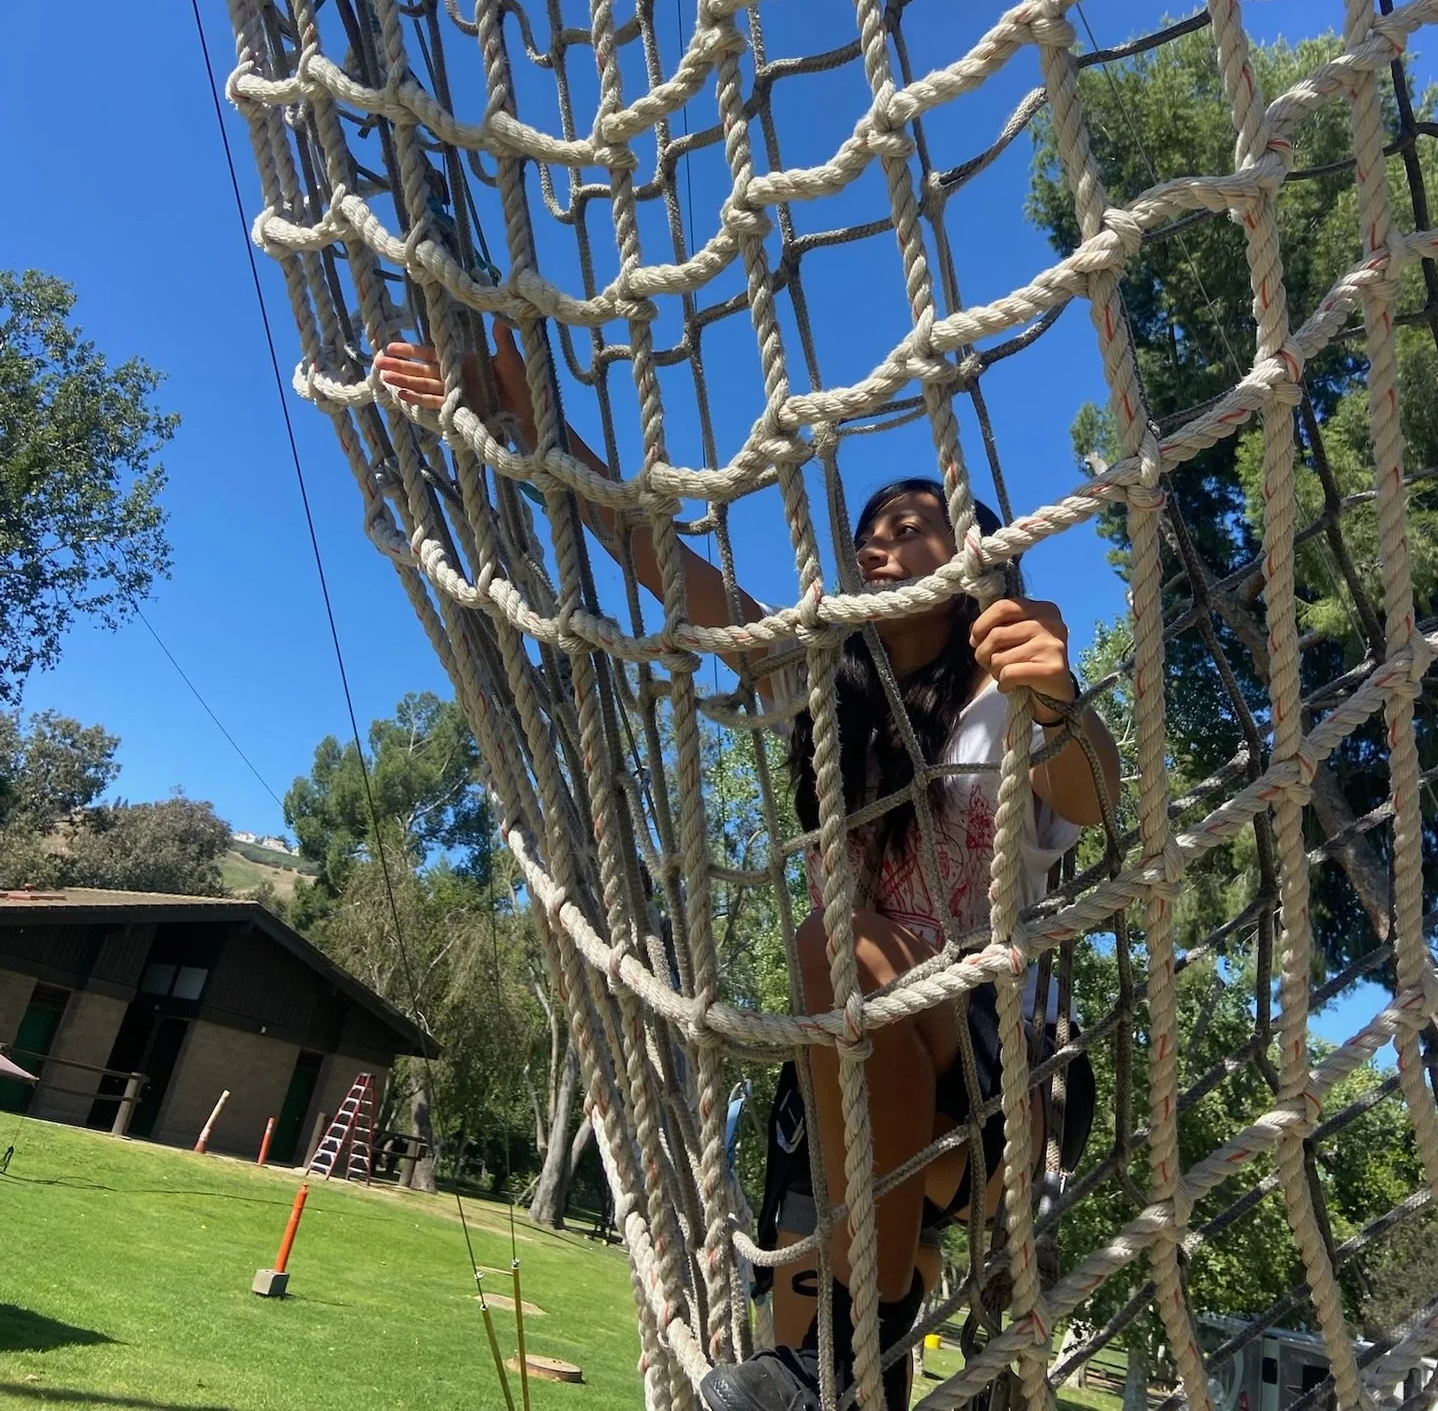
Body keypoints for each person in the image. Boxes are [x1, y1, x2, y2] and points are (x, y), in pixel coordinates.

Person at [376, 330, 1121, 1411]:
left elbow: (1094, 800)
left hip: (1000, 1068)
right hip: (860, 1071)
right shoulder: (827, 690)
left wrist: (1058, 698)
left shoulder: (1003, 697)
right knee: (805, 1363)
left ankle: (869, 1316)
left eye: (912, 529)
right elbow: (667, 565)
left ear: (977, 564)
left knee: (836, 944)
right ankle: (859, 1335)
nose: (880, 547)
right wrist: (536, 432)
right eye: (868, 536)